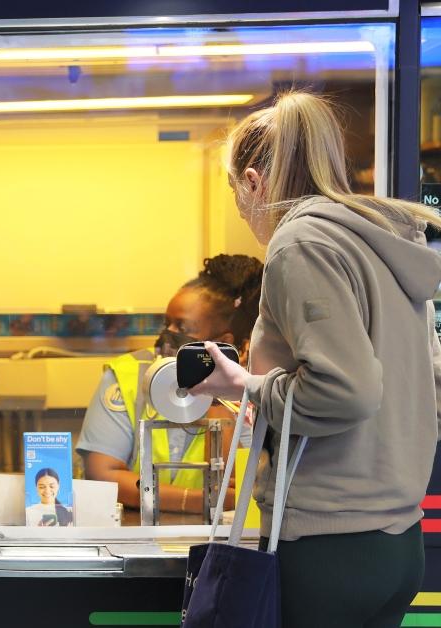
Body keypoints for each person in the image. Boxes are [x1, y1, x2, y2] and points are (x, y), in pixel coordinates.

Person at [191, 91, 441, 628]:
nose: (242, 211)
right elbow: (430, 381)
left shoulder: (299, 243)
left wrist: (247, 386)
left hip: (327, 549)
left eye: (237, 194)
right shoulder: (382, 242)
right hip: (397, 545)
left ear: (254, 182)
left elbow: (345, 390)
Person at [77, 255, 263, 515]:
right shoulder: (126, 376)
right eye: (167, 323)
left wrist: (216, 393)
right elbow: (103, 477)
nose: (167, 335)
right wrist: (198, 500)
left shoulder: (251, 391)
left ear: (223, 342)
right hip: (134, 535)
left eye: (183, 326)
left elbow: (239, 488)